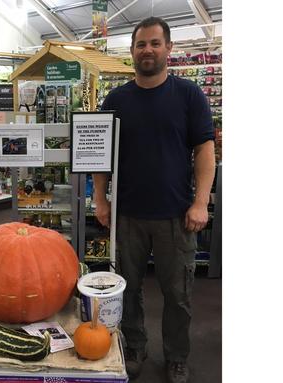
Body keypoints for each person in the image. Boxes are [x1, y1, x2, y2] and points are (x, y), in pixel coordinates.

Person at [92, 17, 215, 383]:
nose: (148, 50)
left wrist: (200, 202)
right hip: (127, 214)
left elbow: (204, 151)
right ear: (131, 51)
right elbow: (99, 154)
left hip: (176, 215)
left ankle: (177, 356)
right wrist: (101, 199)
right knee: (127, 290)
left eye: (155, 43)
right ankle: (134, 345)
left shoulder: (189, 95)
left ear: (169, 48)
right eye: (141, 44)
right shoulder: (116, 100)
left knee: (178, 295)